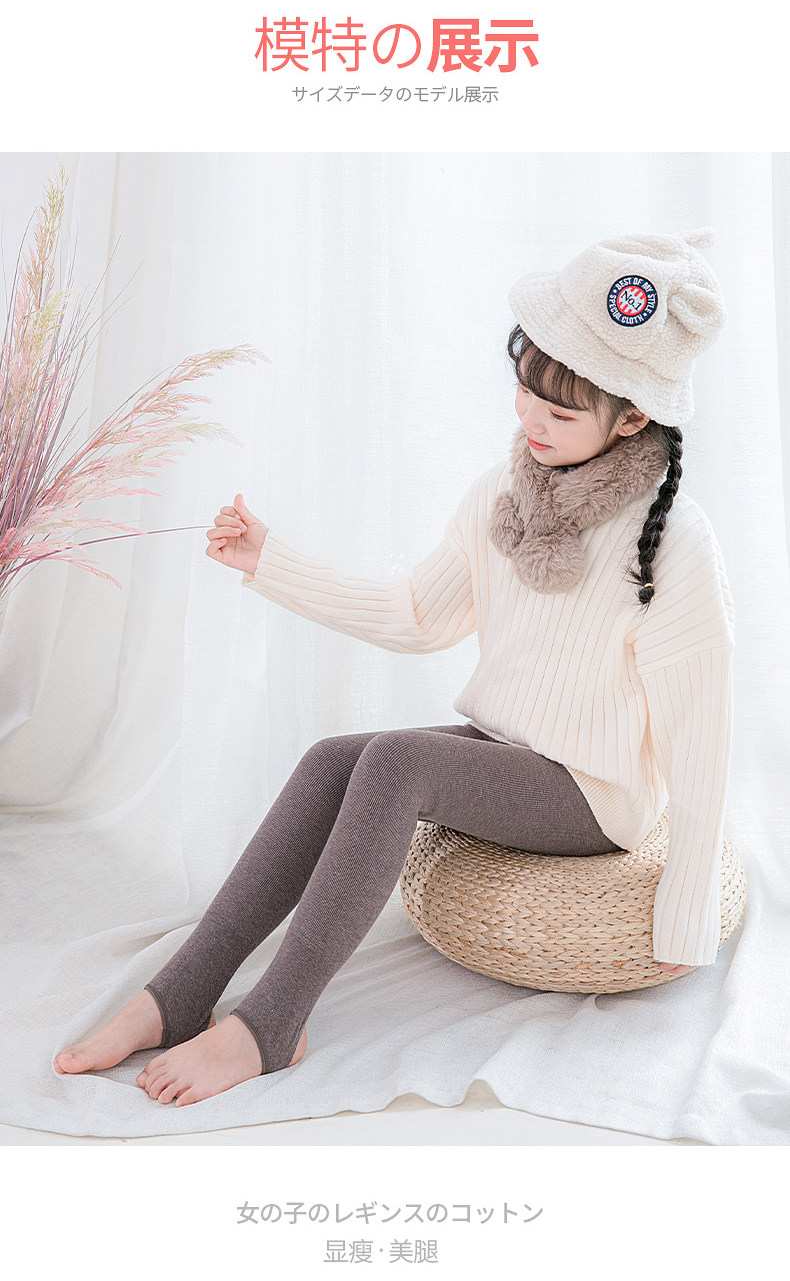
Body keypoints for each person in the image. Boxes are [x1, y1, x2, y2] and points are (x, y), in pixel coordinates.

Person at [54, 228, 735, 1108]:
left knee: (397, 763)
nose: (530, 421)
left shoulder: (677, 542)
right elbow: (418, 614)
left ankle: (272, 1022)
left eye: (561, 414)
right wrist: (271, 561)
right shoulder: (501, 492)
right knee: (330, 760)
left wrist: (685, 913)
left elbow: (701, 732)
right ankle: (182, 990)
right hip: (507, 749)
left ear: (633, 417)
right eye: (526, 390)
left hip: (596, 794)